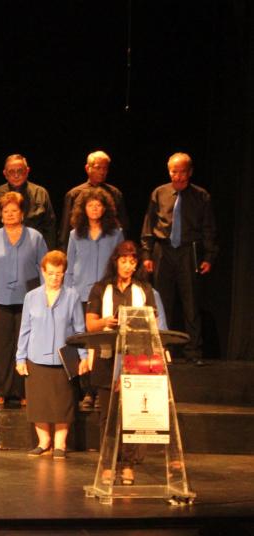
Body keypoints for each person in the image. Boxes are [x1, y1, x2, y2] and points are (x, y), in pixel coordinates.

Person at [86, 240, 158, 485]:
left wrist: (139, 321)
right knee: (107, 416)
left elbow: (153, 322)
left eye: (132, 262)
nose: (128, 266)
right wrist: (106, 321)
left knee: (131, 415)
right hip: (107, 358)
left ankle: (127, 464)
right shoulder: (100, 288)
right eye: (124, 261)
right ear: (115, 261)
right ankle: (108, 463)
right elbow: (90, 324)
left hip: (135, 358)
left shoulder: (143, 289)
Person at [141, 152, 217, 366]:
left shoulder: (201, 196)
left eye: (182, 172)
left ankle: (193, 351)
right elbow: (149, 224)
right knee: (161, 302)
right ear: (169, 172)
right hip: (163, 251)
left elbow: (208, 229)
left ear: (190, 172)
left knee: (191, 303)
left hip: (188, 251)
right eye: (174, 172)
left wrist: (209, 256)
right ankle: (162, 350)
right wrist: (146, 253)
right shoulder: (159, 193)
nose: (178, 176)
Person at [0, 191, 48, 407]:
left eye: (14, 211)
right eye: (5, 211)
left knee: (25, 345)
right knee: (1, 347)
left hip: (29, 301)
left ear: (22, 213)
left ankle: (24, 390)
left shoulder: (35, 237)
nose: (9, 214)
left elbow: (45, 268)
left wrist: (45, 297)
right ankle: (1, 389)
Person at [16, 250, 87, 460]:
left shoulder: (72, 296)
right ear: (43, 272)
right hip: (36, 356)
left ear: (64, 273)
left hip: (64, 358)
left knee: (63, 403)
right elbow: (25, 329)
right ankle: (43, 441)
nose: (54, 278)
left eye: (58, 273)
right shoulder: (31, 297)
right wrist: (20, 357)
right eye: (50, 273)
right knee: (39, 403)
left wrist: (84, 356)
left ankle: (60, 444)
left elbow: (79, 329)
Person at [64, 188, 124, 410]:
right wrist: (69, 293)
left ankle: (101, 390)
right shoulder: (75, 235)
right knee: (84, 342)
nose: (95, 209)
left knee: (103, 344)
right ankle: (86, 391)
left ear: (105, 208)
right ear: (84, 209)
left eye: (98, 205)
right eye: (90, 205)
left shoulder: (115, 233)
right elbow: (70, 267)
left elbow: (121, 262)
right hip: (81, 293)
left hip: (105, 294)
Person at [0, 154, 56, 250]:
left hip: (34, 249)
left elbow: (50, 228)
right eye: (11, 172)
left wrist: (48, 254)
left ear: (27, 171)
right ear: (5, 174)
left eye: (20, 171)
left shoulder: (40, 193)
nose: (16, 175)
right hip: (2, 249)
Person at [59, 151, 129, 249]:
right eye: (98, 168)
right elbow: (66, 228)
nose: (102, 172)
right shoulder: (74, 194)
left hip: (108, 245)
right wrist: (63, 250)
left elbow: (123, 225)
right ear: (88, 168)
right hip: (81, 244)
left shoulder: (115, 194)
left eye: (105, 168)